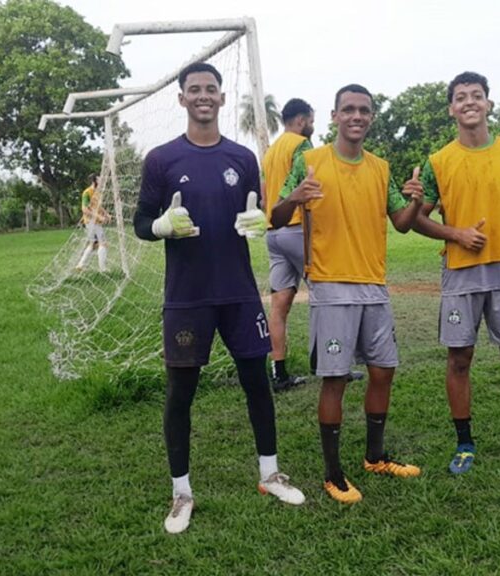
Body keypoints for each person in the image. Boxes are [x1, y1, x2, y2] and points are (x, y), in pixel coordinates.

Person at [133, 62, 304, 535]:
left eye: (211, 89)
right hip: (187, 298)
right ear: (182, 99)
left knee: (257, 383)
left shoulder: (243, 158)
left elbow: (257, 213)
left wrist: (258, 224)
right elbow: (141, 223)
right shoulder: (162, 160)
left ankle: (270, 474)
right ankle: (181, 492)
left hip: (239, 295)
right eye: (194, 90)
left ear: (223, 98)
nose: (204, 96)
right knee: (180, 394)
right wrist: (162, 227)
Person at [270, 84, 424, 504]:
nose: (357, 116)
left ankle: (375, 456)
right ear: (335, 116)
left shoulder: (381, 168)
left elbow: (402, 223)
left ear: (371, 118)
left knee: (383, 370)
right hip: (332, 285)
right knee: (335, 378)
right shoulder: (309, 161)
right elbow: (276, 214)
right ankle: (333, 473)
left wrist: (415, 201)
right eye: (348, 110)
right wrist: (297, 197)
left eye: (364, 110)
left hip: (374, 284)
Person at [412, 71, 500, 476]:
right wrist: (455, 233)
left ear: (489, 104)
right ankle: (464, 445)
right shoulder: (438, 162)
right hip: (460, 274)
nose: (469, 102)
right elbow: (416, 220)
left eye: (477, 95)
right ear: (451, 109)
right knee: (459, 358)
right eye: (461, 97)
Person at [262, 98, 314, 392]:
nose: (311, 125)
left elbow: (264, 189)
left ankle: (278, 373)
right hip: (296, 227)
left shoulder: (271, 151)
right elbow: (310, 181)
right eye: (311, 119)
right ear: (302, 119)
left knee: (279, 306)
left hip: (274, 231)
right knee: (324, 293)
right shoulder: (301, 145)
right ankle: (332, 364)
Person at [75, 174, 110, 272]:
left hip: (95, 222)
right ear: (94, 181)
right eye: (99, 179)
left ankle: (80, 265)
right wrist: (99, 217)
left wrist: (106, 214)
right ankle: (103, 269)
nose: (101, 181)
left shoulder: (97, 193)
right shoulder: (87, 192)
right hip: (91, 222)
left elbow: (98, 206)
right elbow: (85, 209)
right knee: (103, 243)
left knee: (93, 244)